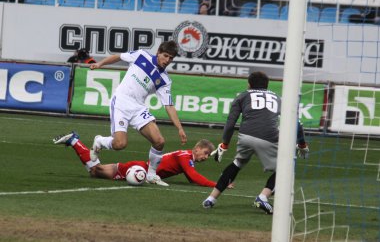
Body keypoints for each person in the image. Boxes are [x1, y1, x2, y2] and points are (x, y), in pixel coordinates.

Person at [202, 71, 309, 214]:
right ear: (267, 85)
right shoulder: (277, 98)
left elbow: (230, 123)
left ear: (249, 84)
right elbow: (297, 123)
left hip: (245, 136)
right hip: (269, 137)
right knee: (286, 169)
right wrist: (302, 145)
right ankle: (263, 197)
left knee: (237, 163)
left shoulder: (242, 96)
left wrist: (224, 145)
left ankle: (211, 199)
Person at [89, 40, 187, 187]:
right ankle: (100, 141)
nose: (167, 60)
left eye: (171, 58)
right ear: (158, 53)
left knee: (159, 141)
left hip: (138, 108)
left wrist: (179, 128)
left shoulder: (165, 80)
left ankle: (152, 175)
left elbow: (169, 105)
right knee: (120, 144)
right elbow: (118, 56)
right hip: (121, 102)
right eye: (165, 56)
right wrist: (99, 64)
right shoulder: (141, 56)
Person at [53, 131, 233, 188]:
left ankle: (74, 141)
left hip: (139, 168)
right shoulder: (185, 156)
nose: (206, 158)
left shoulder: (187, 157)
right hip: (138, 169)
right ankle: (77, 141)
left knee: (95, 172)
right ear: (199, 149)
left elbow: (189, 175)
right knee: (95, 171)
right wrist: (218, 184)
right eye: (206, 154)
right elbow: (193, 176)